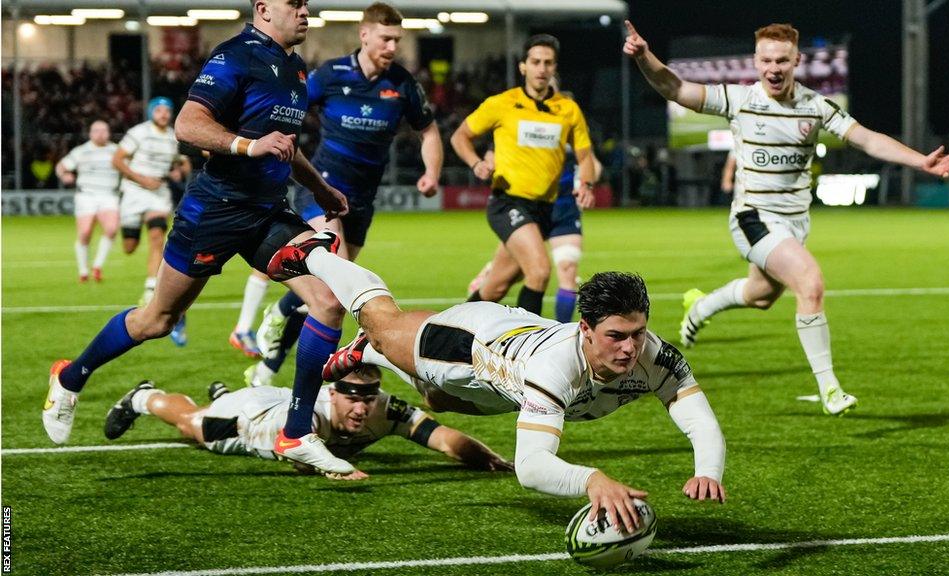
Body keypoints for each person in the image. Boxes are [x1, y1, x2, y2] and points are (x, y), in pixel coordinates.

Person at [45, 0, 361, 477]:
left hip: (266, 215)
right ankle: (69, 377)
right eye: (293, 3)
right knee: (157, 320)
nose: (304, 11)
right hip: (214, 211)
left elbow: (285, 145)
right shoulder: (234, 55)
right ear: (263, 9)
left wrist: (320, 189)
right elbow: (188, 125)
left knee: (327, 302)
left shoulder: (295, 69)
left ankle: (296, 433)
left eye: (306, 4)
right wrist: (247, 146)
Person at [624, 21, 949, 415]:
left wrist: (920, 160)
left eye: (782, 60)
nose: (774, 67)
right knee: (811, 282)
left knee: (761, 296)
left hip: (794, 224)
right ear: (755, 61)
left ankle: (701, 307)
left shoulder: (815, 107)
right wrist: (645, 57)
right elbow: (675, 89)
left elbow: (867, 138)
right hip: (753, 217)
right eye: (766, 59)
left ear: (796, 61)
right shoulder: (738, 99)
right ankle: (830, 389)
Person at [263, 245, 726, 533]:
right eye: (616, 336)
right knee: (382, 321)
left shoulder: (655, 355)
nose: (630, 348)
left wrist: (708, 469)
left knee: (436, 401)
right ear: (586, 329)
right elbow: (531, 468)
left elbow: (696, 413)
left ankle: (372, 352)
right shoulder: (556, 369)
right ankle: (316, 256)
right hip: (474, 344)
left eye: (638, 333)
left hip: (512, 371)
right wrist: (592, 479)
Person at [252, 1, 442, 372]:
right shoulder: (331, 74)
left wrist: (431, 172)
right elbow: (290, 108)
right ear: (365, 34)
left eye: (397, 40)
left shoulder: (402, 83)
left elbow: (429, 130)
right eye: (386, 39)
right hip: (322, 188)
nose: (392, 47)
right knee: (338, 280)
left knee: (328, 290)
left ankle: (270, 357)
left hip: (362, 199)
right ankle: (320, 367)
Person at [103, 365, 513, 478]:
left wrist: (485, 457)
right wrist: (340, 470)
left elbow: (441, 438)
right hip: (259, 418)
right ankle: (143, 396)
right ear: (333, 393)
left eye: (367, 400)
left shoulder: (383, 409)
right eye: (351, 399)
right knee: (194, 427)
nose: (361, 410)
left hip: (285, 402)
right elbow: (303, 458)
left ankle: (222, 395)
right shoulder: (312, 416)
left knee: (197, 427)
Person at [451, 34, 596, 317]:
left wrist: (586, 184)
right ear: (523, 67)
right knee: (540, 271)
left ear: (555, 68)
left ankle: (453, 332)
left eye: (548, 63)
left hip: (543, 209)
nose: (542, 68)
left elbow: (584, 156)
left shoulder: (568, 110)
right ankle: (528, 349)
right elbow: (460, 137)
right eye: (536, 62)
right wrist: (476, 162)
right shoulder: (503, 103)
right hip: (508, 203)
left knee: (496, 287)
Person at [467, 145, 603, 323]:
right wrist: (486, 162)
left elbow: (591, 162)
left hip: (566, 210)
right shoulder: (528, 122)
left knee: (566, 269)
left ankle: (560, 332)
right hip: (531, 208)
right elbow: (494, 147)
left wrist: (586, 184)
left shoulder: (572, 123)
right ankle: (456, 327)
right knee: (499, 286)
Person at [113, 97, 192, 306]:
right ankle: (132, 235)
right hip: (133, 192)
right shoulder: (138, 132)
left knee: (157, 236)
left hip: (159, 193)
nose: (164, 114)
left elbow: (182, 162)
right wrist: (141, 179)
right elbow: (117, 160)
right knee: (129, 247)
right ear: (151, 113)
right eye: (159, 110)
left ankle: (150, 289)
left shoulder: (173, 137)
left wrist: (180, 170)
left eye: (167, 110)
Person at [56, 120, 121, 283]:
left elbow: (129, 167)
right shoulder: (82, 151)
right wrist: (64, 175)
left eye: (104, 130)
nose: (100, 133)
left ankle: (97, 266)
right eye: (96, 130)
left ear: (109, 132)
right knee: (85, 233)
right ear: (90, 133)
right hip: (87, 195)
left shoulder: (116, 150)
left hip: (109, 194)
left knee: (112, 229)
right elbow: (61, 166)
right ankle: (83, 270)